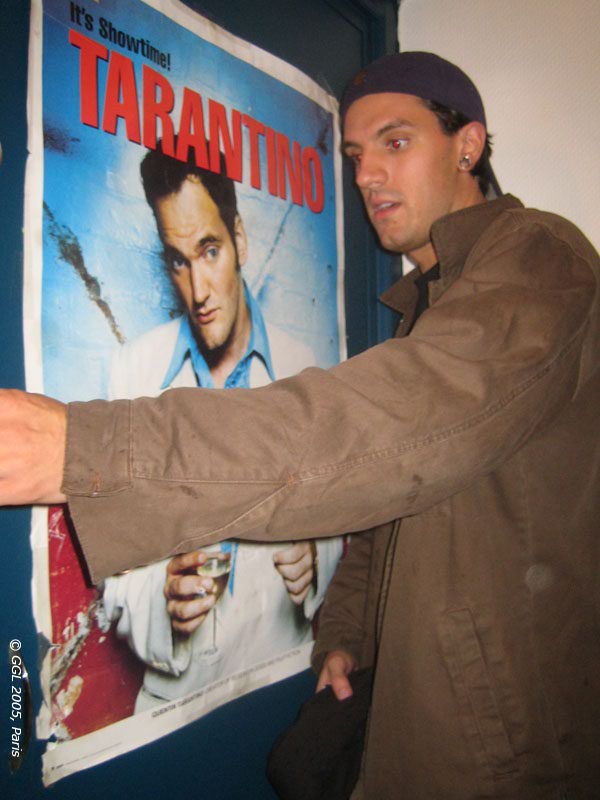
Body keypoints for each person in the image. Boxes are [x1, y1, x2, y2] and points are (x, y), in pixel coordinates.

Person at [1, 51, 598, 799]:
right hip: (414, 718)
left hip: (513, 758)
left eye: (395, 141)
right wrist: (346, 631)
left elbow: (384, 427)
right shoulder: (429, 304)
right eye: (355, 155)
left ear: (468, 145)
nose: (367, 174)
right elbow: (397, 509)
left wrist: (86, 449)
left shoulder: (541, 259)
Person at [101, 143, 342, 710]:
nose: (198, 291)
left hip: (281, 683)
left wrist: (317, 556)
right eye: (178, 261)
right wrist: (161, 598)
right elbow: (114, 569)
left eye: (209, 251)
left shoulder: (305, 367)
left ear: (240, 240)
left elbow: (338, 513)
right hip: (174, 707)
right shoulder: (132, 372)